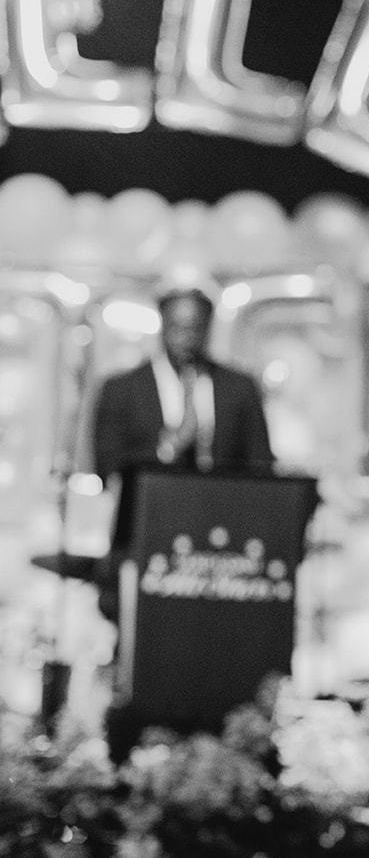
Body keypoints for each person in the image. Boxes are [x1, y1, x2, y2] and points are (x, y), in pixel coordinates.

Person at [90, 267, 275, 624]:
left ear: (209, 328)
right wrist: (168, 449)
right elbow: (107, 466)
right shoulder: (122, 390)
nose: (186, 337)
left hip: (224, 551)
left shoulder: (238, 389)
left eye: (195, 328)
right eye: (178, 327)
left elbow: (261, 466)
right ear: (162, 324)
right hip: (145, 541)